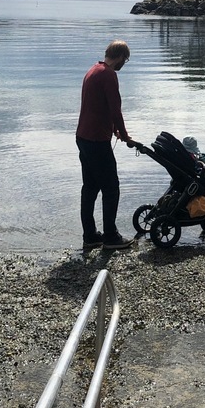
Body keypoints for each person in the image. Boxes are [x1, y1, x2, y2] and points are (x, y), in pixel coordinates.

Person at [76, 40, 135, 250]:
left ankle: (90, 236)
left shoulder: (93, 70)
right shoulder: (109, 75)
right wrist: (125, 135)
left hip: (83, 137)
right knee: (111, 188)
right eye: (125, 60)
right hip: (96, 141)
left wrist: (114, 130)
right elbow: (115, 109)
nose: (123, 64)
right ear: (120, 57)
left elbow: (98, 107)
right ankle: (110, 237)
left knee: (90, 188)